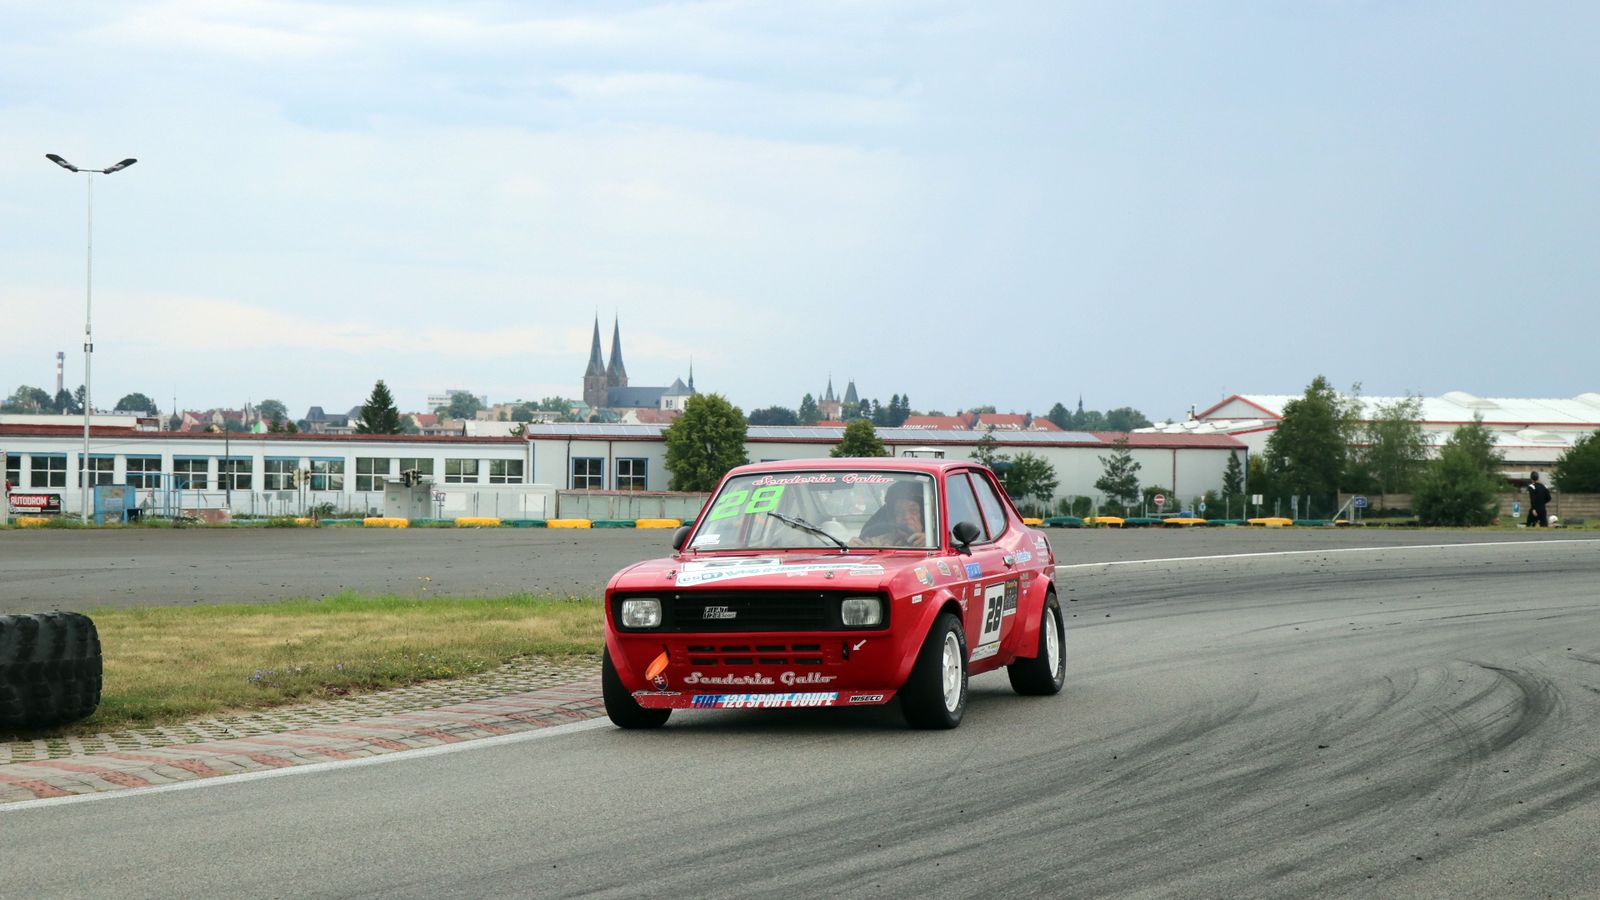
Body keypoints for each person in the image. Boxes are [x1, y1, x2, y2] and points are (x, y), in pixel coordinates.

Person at [854, 481, 925, 546]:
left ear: (923, 516)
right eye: (899, 512)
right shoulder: (882, 541)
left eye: (913, 510)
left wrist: (928, 542)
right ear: (893, 517)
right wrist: (853, 546)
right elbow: (863, 548)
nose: (906, 516)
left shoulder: (930, 541)